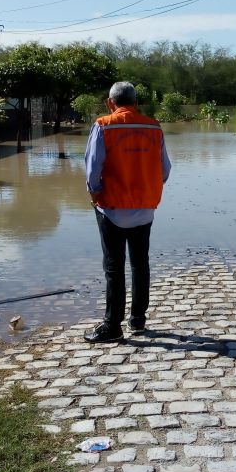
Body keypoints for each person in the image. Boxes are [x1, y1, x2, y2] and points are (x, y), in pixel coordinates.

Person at [84, 82, 171, 343]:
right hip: (145, 209)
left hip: (111, 209)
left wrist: (95, 196)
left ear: (111, 103)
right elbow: (165, 170)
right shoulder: (154, 127)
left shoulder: (103, 125)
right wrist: (145, 188)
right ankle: (138, 320)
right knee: (140, 264)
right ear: (135, 103)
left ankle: (112, 325)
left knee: (114, 267)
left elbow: (92, 172)